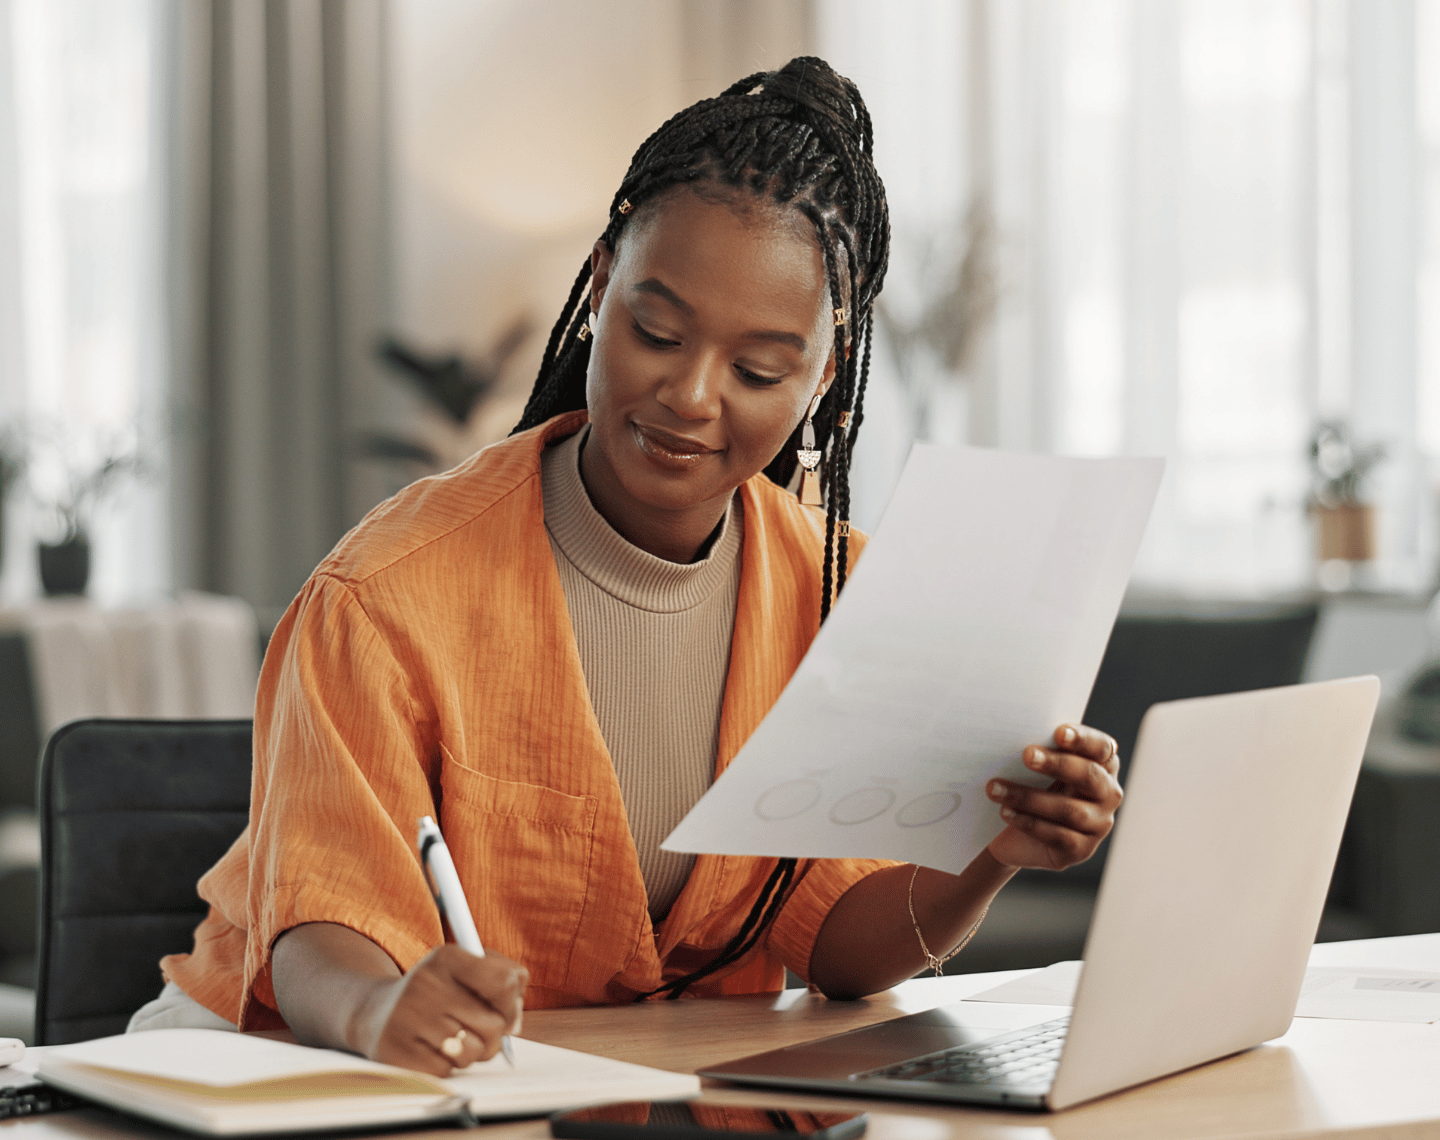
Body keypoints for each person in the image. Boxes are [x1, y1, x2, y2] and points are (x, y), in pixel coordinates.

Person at [136, 57, 1122, 1076]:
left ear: (823, 377)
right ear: (602, 288)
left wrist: (994, 853)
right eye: (657, 332)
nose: (692, 397)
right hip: (292, 1066)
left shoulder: (841, 600)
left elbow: (840, 951)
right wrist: (386, 1007)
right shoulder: (385, 595)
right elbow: (316, 933)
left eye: (758, 370)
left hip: (610, 1082)